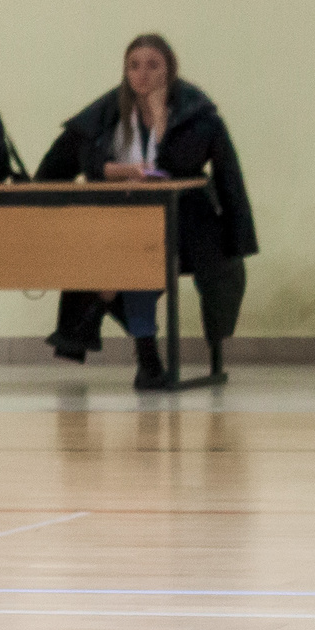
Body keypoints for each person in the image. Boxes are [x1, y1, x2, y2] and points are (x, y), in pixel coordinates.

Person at [38, 33, 259, 389]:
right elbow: (77, 160)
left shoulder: (196, 115)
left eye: (153, 65)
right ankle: (147, 357)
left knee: (139, 265)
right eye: (134, 66)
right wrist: (119, 172)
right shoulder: (109, 113)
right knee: (117, 269)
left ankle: (147, 356)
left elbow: (203, 170)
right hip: (120, 223)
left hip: (185, 225)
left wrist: (158, 119)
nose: (142, 74)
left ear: (169, 70)